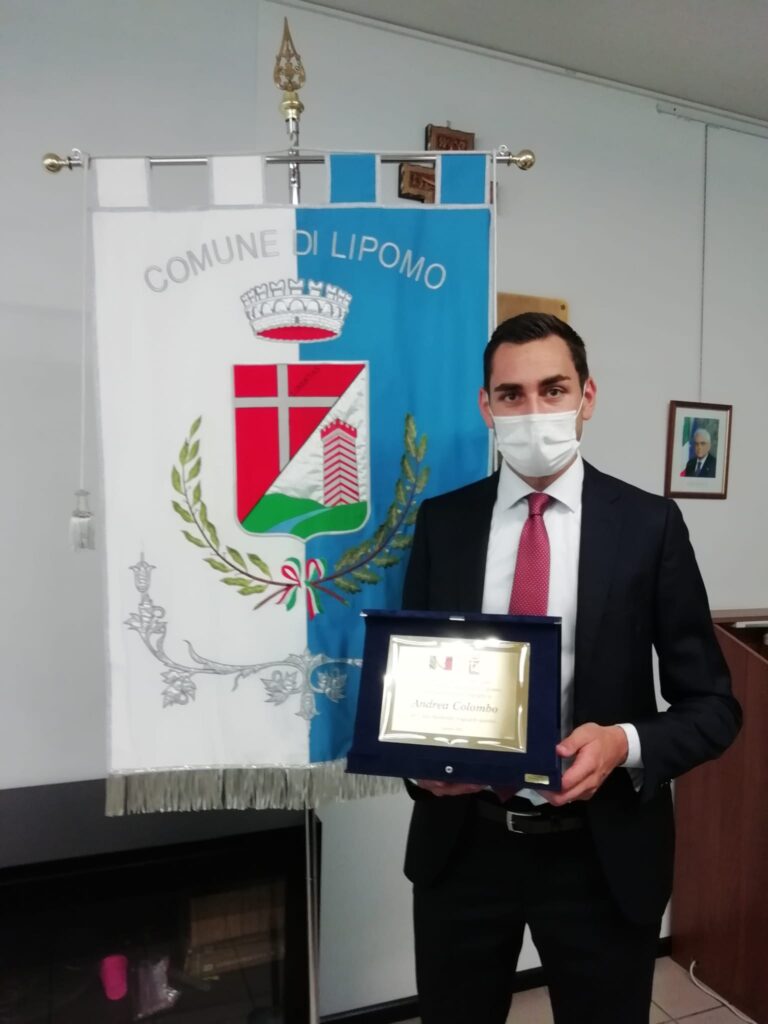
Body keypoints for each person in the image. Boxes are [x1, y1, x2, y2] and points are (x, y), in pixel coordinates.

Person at [401, 313, 741, 1024]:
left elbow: (713, 707)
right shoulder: (443, 524)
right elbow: (417, 686)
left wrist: (623, 743)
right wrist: (420, 763)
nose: (533, 412)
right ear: (486, 405)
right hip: (463, 851)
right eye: (512, 394)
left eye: (552, 390)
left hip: (602, 855)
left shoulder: (649, 526)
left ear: (587, 396)